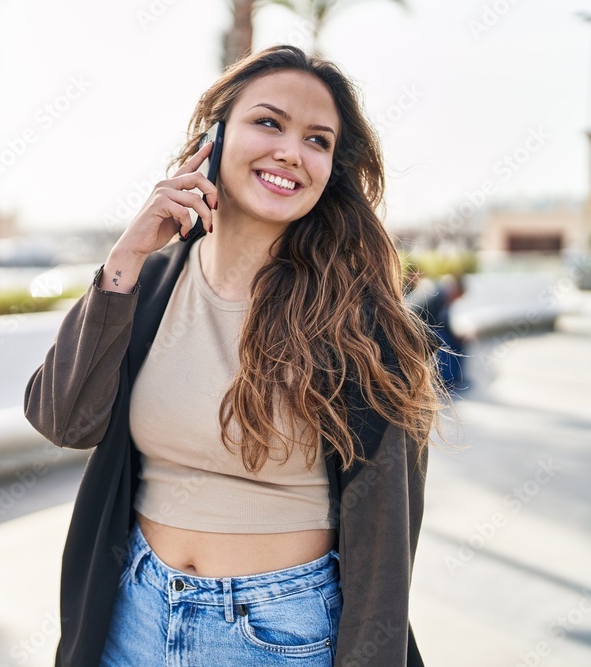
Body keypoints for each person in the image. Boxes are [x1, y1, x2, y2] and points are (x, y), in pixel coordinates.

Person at [24, 43, 444, 667]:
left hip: (282, 634)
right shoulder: (151, 285)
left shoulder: (361, 322)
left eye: (318, 140)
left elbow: (385, 544)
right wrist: (124, 261)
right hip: (132, 614)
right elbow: (64, 419)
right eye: (268, 122)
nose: (290, 152)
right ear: (213, 139)